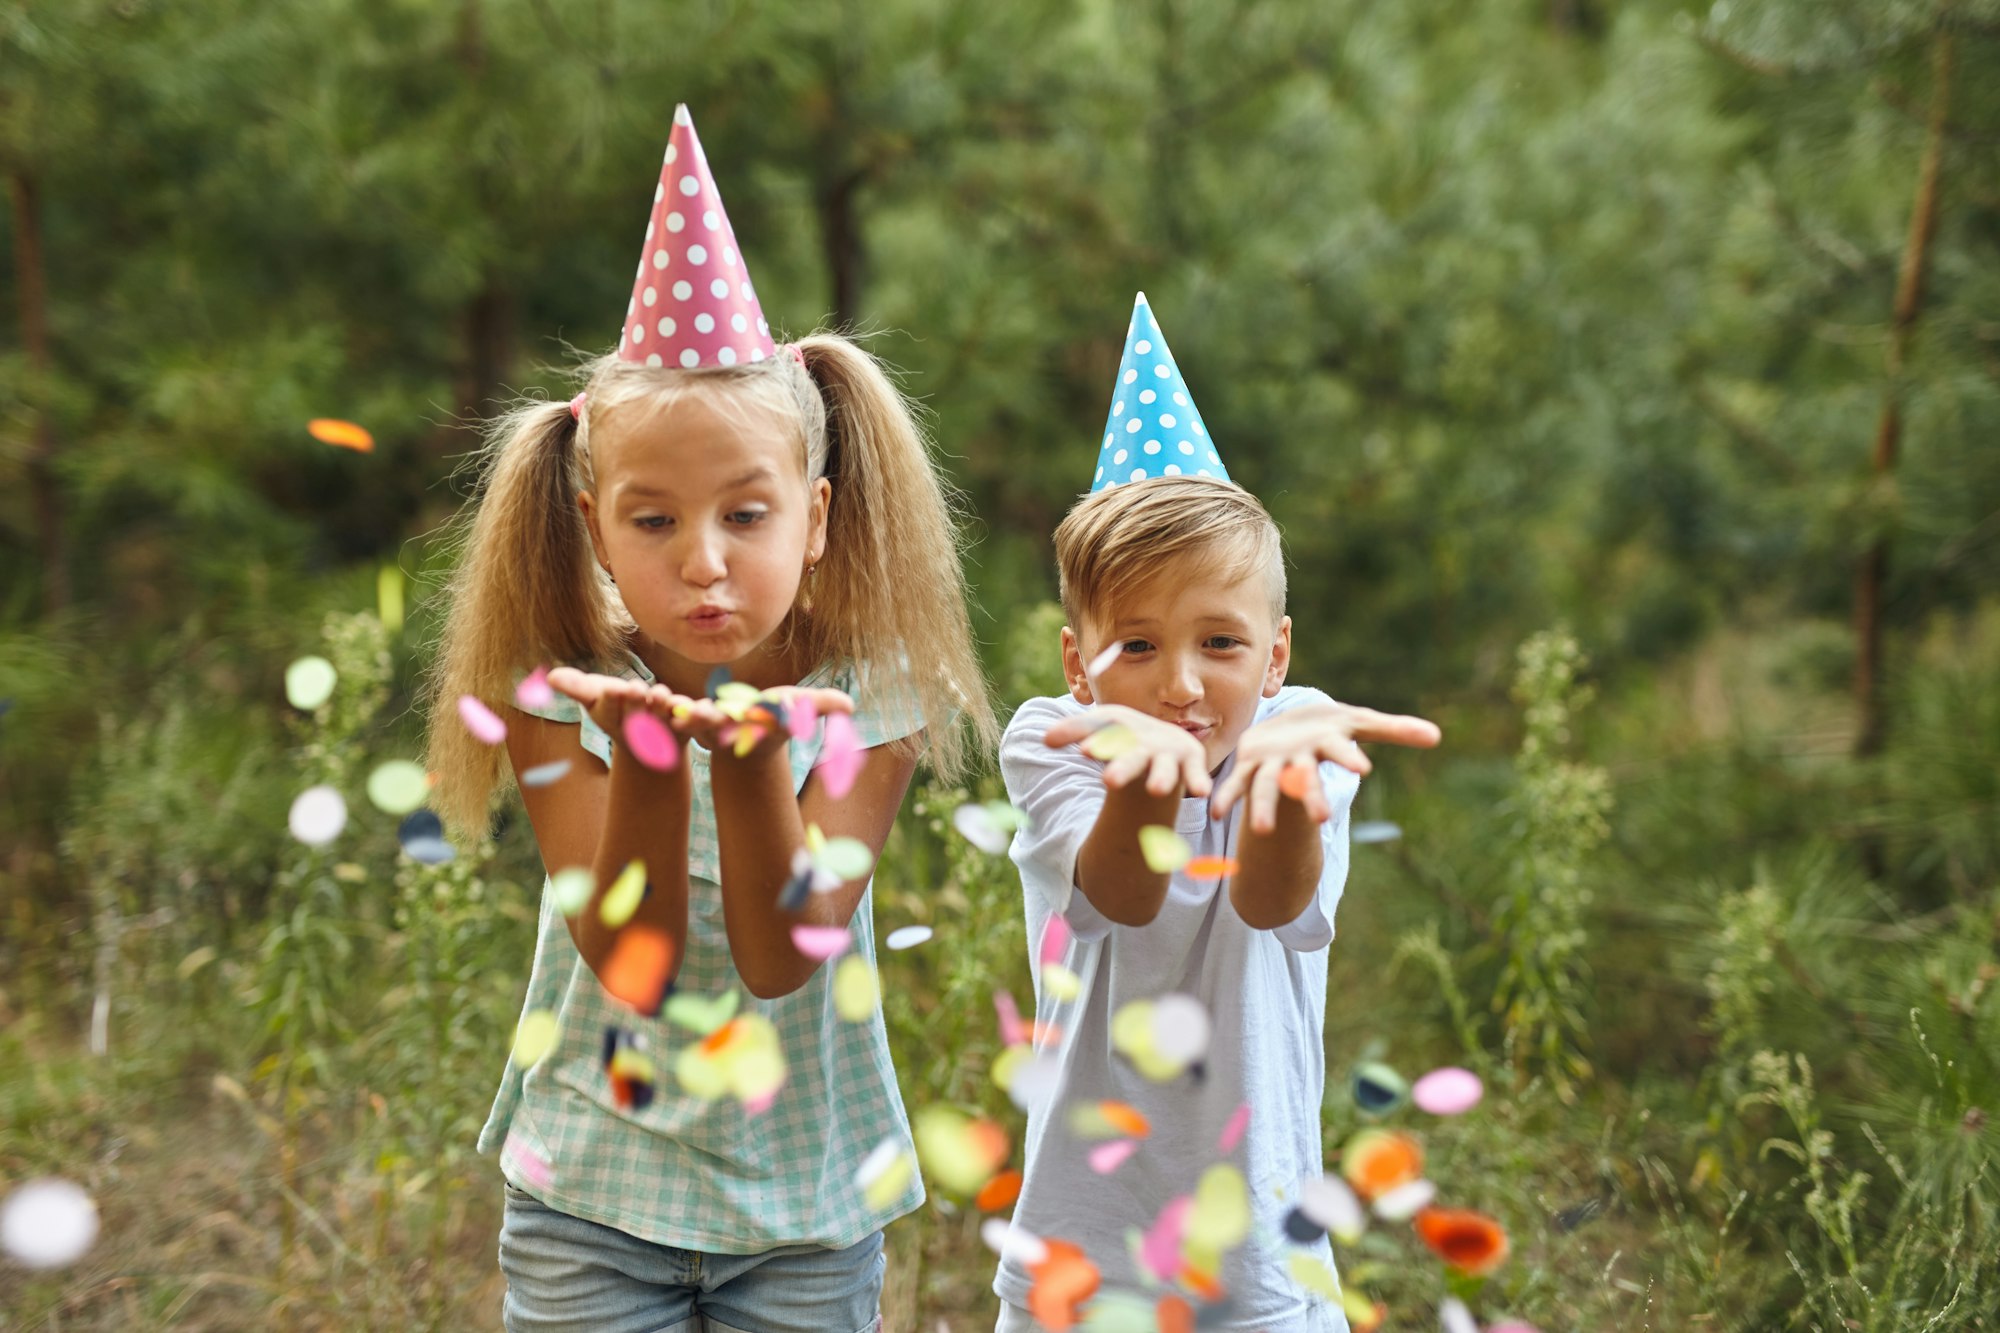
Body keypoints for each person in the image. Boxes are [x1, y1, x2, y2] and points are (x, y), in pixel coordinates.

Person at [424, 105, 995, 1333]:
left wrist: (746, 766)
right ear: (591, 524)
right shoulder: (557, 686)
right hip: (592, 1196)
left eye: (746, 515)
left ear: (819, 515)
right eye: (652, 521)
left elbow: (785, 950)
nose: (704, 564)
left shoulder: (872, 690)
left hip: (804, 1212)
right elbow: (629, 966)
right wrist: (644, 748)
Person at [992, 294, 1440, 1331]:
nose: (1181, 686)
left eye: (1221, 645)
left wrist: (1282, 783)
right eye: (1136, 646)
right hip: (1082, 1253)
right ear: (1077, 663)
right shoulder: (1051, 737)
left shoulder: (1301, 731)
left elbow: (1280, 906)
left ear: (1276, 654)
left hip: (1258, 1271)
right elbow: (1119, 896)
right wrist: (1144, 770)